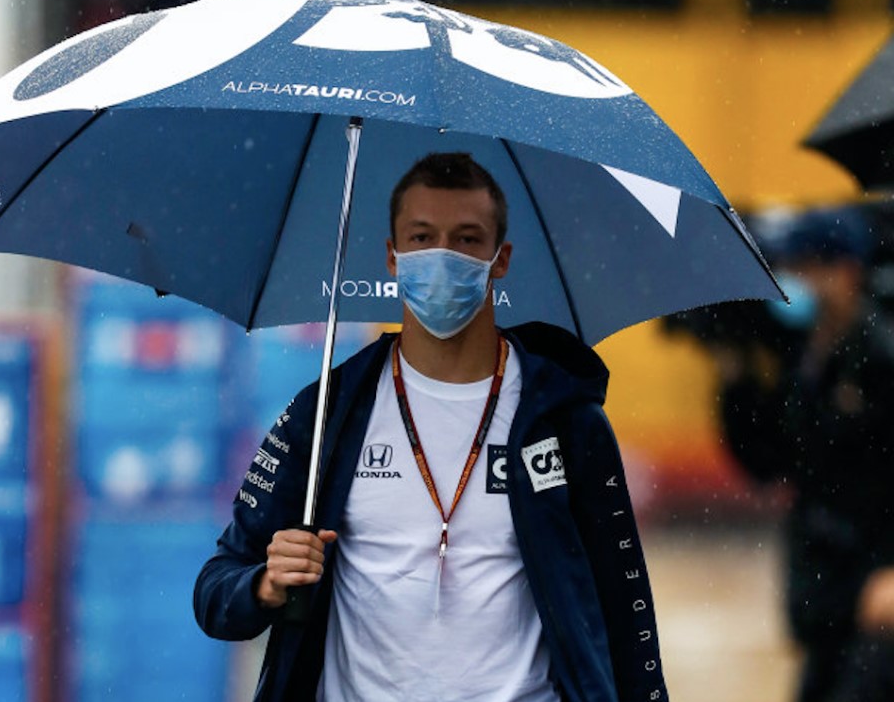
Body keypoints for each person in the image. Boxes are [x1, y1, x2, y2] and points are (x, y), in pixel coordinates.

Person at [194, 152, 668, 702]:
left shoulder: (566, 421)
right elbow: (215, 590)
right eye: (422, 238)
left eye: (467, 239)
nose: (442, 256)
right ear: (392, 258)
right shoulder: (326, 413)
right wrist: (265, 584)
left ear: (501, 258)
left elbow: (626, 611)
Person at [713, 207, 894, 702]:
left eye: (811, 265)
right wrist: (737, 375)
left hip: (877, 598)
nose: (797, 279)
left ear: (848, 272)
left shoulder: (880, 356)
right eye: (791, 265)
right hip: (825, 593)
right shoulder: (802, 356)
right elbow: (767, 462)